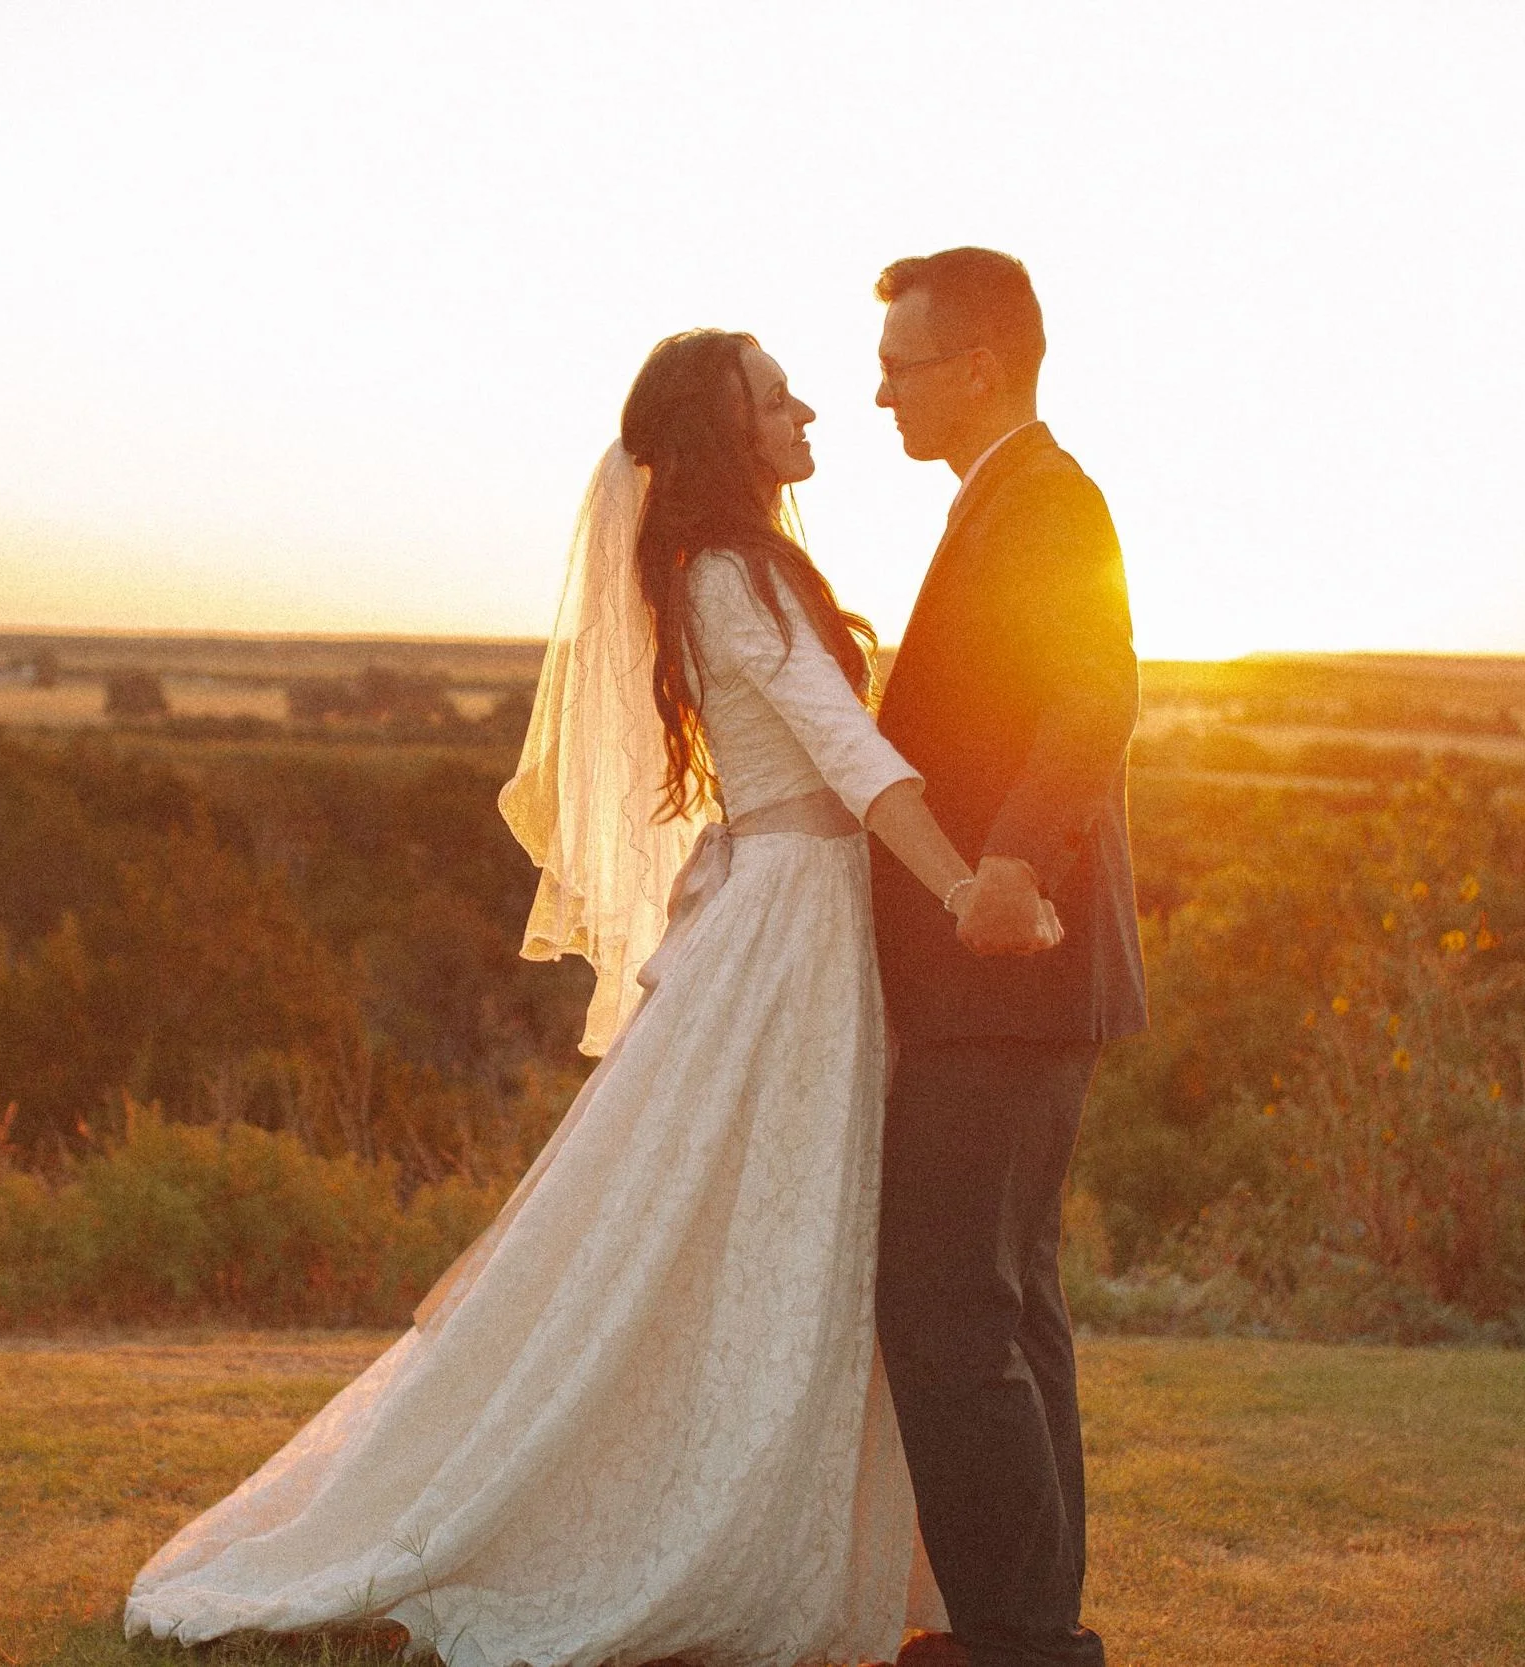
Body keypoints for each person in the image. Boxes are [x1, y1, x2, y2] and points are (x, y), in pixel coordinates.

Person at [124, 327, 1051, 1667]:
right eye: (774, 398)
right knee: (760, 1226)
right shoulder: (731, 574)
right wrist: (967, 888)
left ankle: (794, 1521)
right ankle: (668, 1524)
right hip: (793, 935)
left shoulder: (733, 568)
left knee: (781, 1230)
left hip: (802, 920)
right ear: (726, 437)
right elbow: (851, 756)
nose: (808, 411)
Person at [867, 248, 1147, 1667]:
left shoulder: (1047, 499)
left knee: (940, 1294)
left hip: (1008, 964)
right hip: (1023, 973)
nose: (879, 393)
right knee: (1009, 1296)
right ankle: (1031, 1631)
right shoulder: (1009, 500)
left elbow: (1093, 692)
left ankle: (1022, 1640)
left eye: (901, 366)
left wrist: (1012, 864)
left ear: (980, 364)